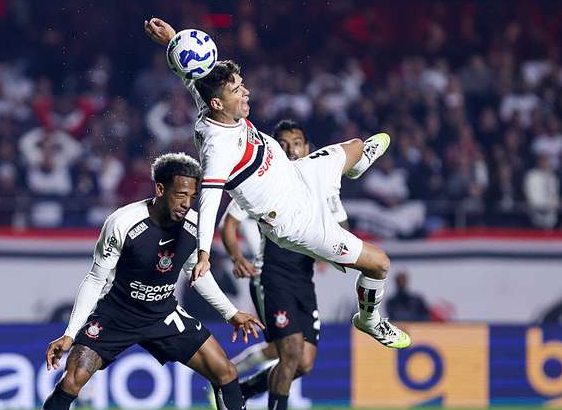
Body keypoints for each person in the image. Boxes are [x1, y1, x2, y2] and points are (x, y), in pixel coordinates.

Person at [0, 153, 287, 410]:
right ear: (161, 189)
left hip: (164, 312)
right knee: (73, 378)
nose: (187, 203)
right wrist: (70, 332)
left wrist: (231, 312)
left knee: (225, 372)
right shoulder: (123, 223)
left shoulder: (194, 227)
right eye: (181, 195)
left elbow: (198, 274)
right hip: (115, 315)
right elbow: (95, 279)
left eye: (193, 196)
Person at [144, 18, 411, 350]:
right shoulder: (218, 148)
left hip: (298, 175)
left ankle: (350, 169)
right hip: (298, 222)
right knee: (380, 264)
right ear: (218, 104)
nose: (246, 92)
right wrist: (203, 253)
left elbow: (196, 81)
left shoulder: (215, 107)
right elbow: (209, 200)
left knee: (357, 146)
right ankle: (369, 320)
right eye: (237, 90)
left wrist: (172, 40)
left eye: (242, 85)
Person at [221, 120, 349, 410]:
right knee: (288, 351)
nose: (291, 148)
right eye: (283, 142)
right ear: (275, 148)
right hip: (272, 275)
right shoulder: (264, 179)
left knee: (303, 363)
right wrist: (237, 257)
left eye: (297, 142)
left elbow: (342, 230)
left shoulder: (321, 183)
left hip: (303, 280)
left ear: (308, 147)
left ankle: (243, 390)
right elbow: (229, 223)